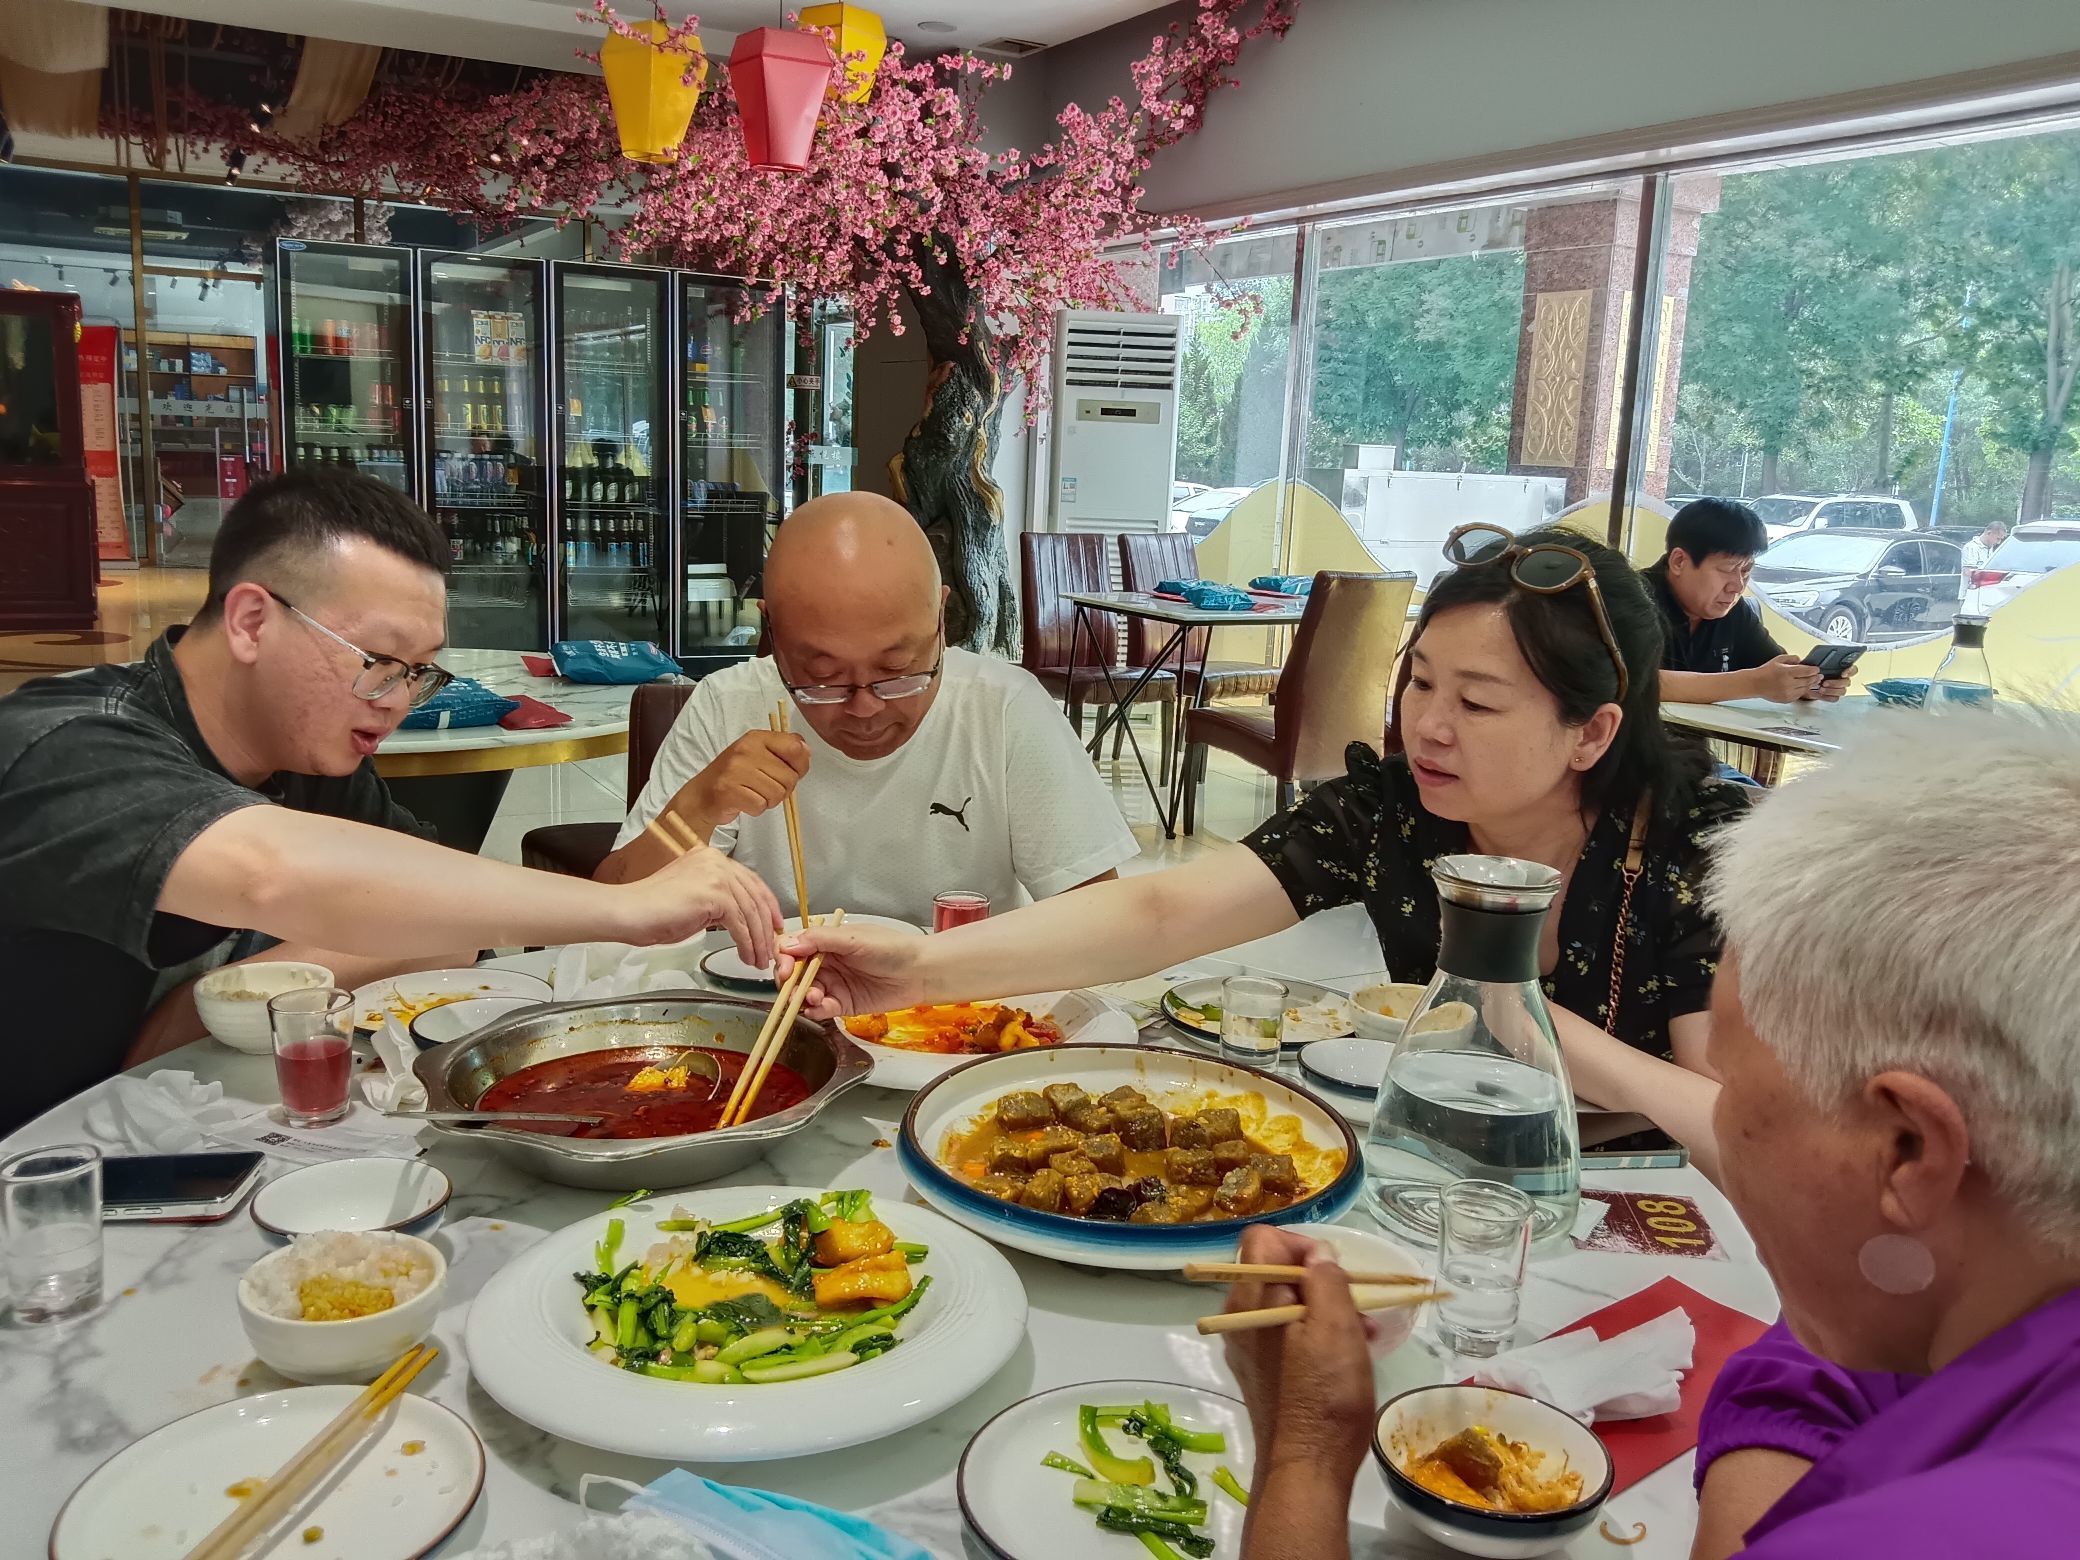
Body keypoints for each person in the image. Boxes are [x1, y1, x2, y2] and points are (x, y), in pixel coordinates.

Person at [1201, 705, 2080, 1559]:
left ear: (1911, 1153)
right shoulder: (1976, 1287)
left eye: (1739, 1092)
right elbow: (1822, 1367)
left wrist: (1305, 1454)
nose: (1721, 1120)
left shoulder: (1955, 1533)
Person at [785, 525, 1749, 1077]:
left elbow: (1729, 1121)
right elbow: (1162, 909)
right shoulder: (1392, 813)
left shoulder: (1704, 852)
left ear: (1593, 731)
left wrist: (1525, 1024)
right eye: (1418, 683)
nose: (1429, 728)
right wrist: (915, 973)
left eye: (1477, 701)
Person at [0, 470, 780, 1134]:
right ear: (249, 621)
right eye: (377, 662)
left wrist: (228, 999)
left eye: (420, 671)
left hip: (205, 1131)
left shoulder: (317, 759)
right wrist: (626, 908)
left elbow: (449, 931)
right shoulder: (68, 746)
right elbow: (268, 870)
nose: (398, 700)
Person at [596, 491, 1138, 924]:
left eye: (897, 671)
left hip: (952, 1014)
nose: (865, 708)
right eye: (822, 677)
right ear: (772, 632)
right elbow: (612, 908)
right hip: (771, 1021)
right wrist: (698, 807)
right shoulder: (727, 706)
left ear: (941, 621)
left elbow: (1102, 925)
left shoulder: (1002, 710)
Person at [1649, 499, 1852, 706]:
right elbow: (1635, 681)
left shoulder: (1734, 611)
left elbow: (1773, 670)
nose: (1737, 586)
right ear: (1679, 562)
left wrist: (1807, 683)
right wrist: (1754, 683)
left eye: (1746, 571)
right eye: (1727, 569)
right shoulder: (1629, 599)